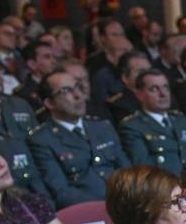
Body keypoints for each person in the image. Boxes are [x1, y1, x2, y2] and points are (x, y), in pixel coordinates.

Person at [28, 69, 131, 207]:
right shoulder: (42, 139)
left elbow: (128, 172)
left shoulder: (102, 126)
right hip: (89, 212)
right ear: (50, 103)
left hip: (127, 204)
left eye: (78, 87)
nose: (78, 95)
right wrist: (107, 206)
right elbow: (61, 192)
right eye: (66, 91)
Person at [117, 69, 186, 174]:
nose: (163, 93)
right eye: (154, 89)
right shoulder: (132, 126)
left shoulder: (181, 120)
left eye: (165, 87)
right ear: (139, 95)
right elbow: (143, 168)